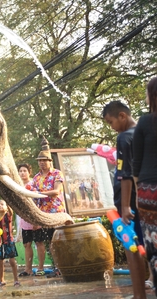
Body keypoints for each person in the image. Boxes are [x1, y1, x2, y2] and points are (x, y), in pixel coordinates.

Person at [102, 100, 146, 299]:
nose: (112, 128)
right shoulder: (146, 133)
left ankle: (139, 295)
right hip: (147, 198)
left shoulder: (124, 137)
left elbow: (125, 173)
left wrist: (126, 206)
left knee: (130, 243)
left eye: (111, 122)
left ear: (122, 116)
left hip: (129, 200)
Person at [133, 77, 157, 295]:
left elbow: (136, 165)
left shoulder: (145, 122)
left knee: (153, 245)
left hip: (150, 193)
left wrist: (138, 194)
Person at [30, 137, 66, 277]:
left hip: (56, 213)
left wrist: (39, 193)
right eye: (39, 161)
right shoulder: (36, 178)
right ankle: (55, 267)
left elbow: (56, 192)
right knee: (49, 242)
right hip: (43, 214)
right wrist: (34, 217)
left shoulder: (57, 174)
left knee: (58, 241)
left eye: (44, 160)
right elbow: (32, 195)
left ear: (50, 161)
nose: (42, 163)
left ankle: (61, 267)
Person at [0, 199, 20, 288]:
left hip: (9, 242)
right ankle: (1, 280)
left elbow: (11, 212)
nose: (0, 206)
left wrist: (8, 203)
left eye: (2, 204)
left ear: (7, 208)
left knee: (12, 261)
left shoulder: (8, 216)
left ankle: (16, 280)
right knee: (0, 261)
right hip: (0, 243)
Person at [16, 163, 36, 277]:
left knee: (40, 243)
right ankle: (28, 269)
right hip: (23, 219)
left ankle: (41, 268)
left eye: (24, 170)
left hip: (36, 217)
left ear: (29, 172)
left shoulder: (34, 183)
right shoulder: (17, 185)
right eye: (20, 171)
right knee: (27, 244)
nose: (22, 173)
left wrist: (35, 220)